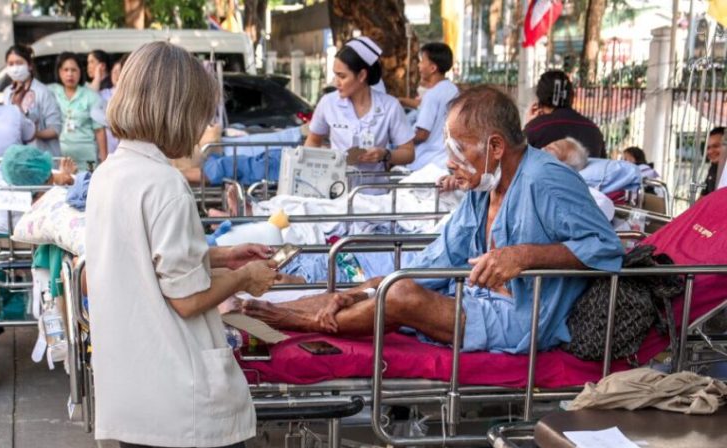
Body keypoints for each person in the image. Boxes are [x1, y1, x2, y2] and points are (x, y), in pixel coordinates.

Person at [242, 86, 623, 355]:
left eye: (458, 148)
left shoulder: (546, 179)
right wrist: (361, 290)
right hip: (472, 301)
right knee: (383, 283)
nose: (450, 161)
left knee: (402, 296)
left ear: (495, 146)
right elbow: (432, 261)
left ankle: (298, 321)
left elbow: (606, 249)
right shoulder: (482, 190)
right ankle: (273, 312)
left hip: (521, 320)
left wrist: (524, 255)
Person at [87, 42, 279, 448]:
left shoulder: (111, 174)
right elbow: (187, 298)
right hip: (178, 394)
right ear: (178, 108)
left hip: (132, 388)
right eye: (200, 111)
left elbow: (142, 256)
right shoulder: (165, 184)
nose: (202, 126)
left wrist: (220, 252)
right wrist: (245, 277)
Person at [306, 37, 415, 180]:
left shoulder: (390, 106)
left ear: (362, 75)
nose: (336, 82)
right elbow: (313, 141)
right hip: (336, 189)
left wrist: (385, 155)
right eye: (335, 75)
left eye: (342, 76)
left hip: (375, 193)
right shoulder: (328, 103)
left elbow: (409, 152)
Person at [525, 70, 607, 158]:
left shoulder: (535, 129)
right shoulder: (594, 131)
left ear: (540, 100)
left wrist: (528, 125)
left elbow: (517, 164)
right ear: (571, 97)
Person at [403, 42, 459, 171]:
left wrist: (401, 141)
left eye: (422, 61)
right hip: (445, 161)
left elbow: (422, 134)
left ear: (433, 68)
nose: (419, 65)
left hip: (426, 162)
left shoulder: (432, 95)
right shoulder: (453, 90)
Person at [1, 44, 63, 157]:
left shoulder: (43, 92)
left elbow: (55, 129)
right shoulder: (7, 93)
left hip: (41, 157)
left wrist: (33, 134)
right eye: (11, 64)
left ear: (29, 65)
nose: (15, 68)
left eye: (19, 63)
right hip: (17, 157)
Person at [48, 52, 107, 169]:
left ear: (80, 72)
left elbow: (100, 131)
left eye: (74, 70)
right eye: (66, 70)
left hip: (87, 159)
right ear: (59, 72)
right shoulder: (51, 92)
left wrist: (105, 162)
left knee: (87, 185)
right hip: (60, 159)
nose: (70, 74)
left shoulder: (91, 96)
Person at [99, 54, 126, 155]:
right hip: (108, 143)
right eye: (114, 72)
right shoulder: (103, 93)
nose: (116, 75)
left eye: (120, 72)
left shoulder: (131, 95)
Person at [702, 126, 724, 196]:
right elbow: (704, 196)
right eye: (708, 147)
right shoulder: (714, 167)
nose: (710, 151)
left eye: (716, 146)